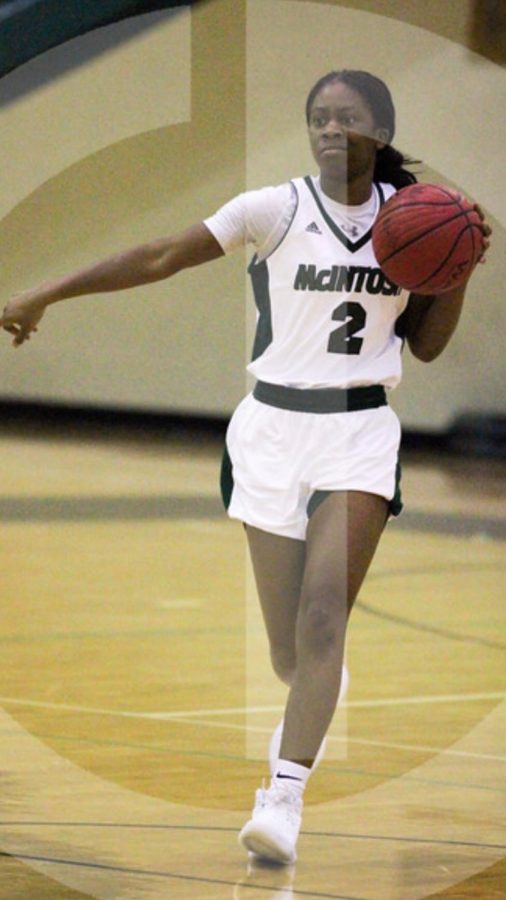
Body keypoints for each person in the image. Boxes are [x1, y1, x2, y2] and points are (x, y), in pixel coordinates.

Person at [1, 69, 491, 865]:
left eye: (348, 118)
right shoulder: (276, 207)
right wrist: (47, 293)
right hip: (270, 431)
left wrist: (457, 268)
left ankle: (283, 798)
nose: (331, 129)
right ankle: (316, 685)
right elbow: (161, 253)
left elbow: (426, 347)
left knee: (324, 617)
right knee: (290, 652)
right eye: (319, 118)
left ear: (381, 130)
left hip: (358, 431)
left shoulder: (415, 222)